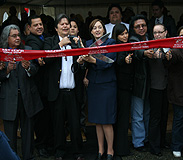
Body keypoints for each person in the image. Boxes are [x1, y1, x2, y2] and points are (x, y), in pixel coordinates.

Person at [43, 13, 85, 160]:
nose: (66, 26)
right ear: (56, 28)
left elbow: (83, 65)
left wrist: (81, 63)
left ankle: (78, 152)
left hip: (73, 91)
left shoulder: (77, 41)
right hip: (57, 92)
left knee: (75, 125)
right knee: (58, 125)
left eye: (67, 23)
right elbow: (46, 60)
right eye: (62, 24)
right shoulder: (50, 42)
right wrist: (60, 45)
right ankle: (59, 152)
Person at [0, 24, 43, 160]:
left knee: (28, 131)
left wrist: (29, 67)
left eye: (19, 35)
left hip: (27, 97)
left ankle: (28, 157)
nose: (18, 38)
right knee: (10, 134)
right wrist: (6, 71)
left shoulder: (28, 50)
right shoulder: (1, 53)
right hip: (9, 99)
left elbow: (37, 71)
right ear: (7, 38)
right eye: (14, 36)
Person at [79, 19, 117, 160]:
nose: (97, 30)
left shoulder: (111, 43)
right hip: (94, 85)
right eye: (94, 28)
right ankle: (100, 149)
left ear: (104, 29)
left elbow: (110, 61)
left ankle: (110, 149)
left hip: (107, 85)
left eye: (99, 27)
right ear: (91, 31)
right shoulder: (88, 44)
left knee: (106, 120)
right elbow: (85, 66)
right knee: (97, 120)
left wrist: (92, 60)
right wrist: (82, 62)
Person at [26, 15, 52, 158]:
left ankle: (47, 143)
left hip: (46, 85)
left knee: (47, 117)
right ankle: (41, 145)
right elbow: (39, 54)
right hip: (38, 86)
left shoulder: (45, 37)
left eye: (40, 24)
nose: (39, 27)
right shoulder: (32, 40)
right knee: (41, 118)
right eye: (35, 25)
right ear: (29, 28)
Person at [164, 25, 183, 158]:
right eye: (181, 36)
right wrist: (168, 55)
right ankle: (177, 146)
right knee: (179, 120)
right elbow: (171, 57)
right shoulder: (176, 50)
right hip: (179, 92)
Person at [129, 15, 152, 152]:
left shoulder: (150, 38)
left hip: (151, 83)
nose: (141, 28)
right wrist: (144, 53)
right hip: (138, 84)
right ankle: (138, 142)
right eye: (138, 26)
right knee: (138, 115)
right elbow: (137, 51)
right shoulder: (133, 39)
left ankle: (146, 138)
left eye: (143, 25)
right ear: (133, 28)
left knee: (148, 113)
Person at [111, 23, 134, 157]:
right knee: (121, 119)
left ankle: (121, 147)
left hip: (126, 87)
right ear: (116, 35)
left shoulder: (128, 45)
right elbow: (116, 62)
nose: (125, 36)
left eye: (126, 33)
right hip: (120, 88)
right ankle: (120, 149)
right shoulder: (115, 46)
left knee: (124, 119)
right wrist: (124, 60)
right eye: (122, 34)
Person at [148, 23, 169, 157]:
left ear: (166, 33)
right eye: (155, 33)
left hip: (168, 86)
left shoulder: (170, 46)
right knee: (155, 117)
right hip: (155, 86)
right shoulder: (150, 47)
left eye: (160, 32)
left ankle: (162, 141)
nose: (157, 35)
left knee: (164, 115)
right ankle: (154, 146)